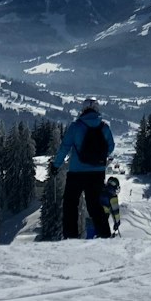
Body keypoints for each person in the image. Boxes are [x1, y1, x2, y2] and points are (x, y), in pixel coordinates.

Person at [49, 97, 115, 239]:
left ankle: (70, 237)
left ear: (83, 109)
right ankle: (105, 235)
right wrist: (99, 158)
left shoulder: (75, 127)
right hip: (97, 173)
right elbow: (111, 146)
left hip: (76, 173)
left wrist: (55, 165)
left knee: (70, 204)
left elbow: (64, 148)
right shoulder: (104, 127)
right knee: (95, 206)